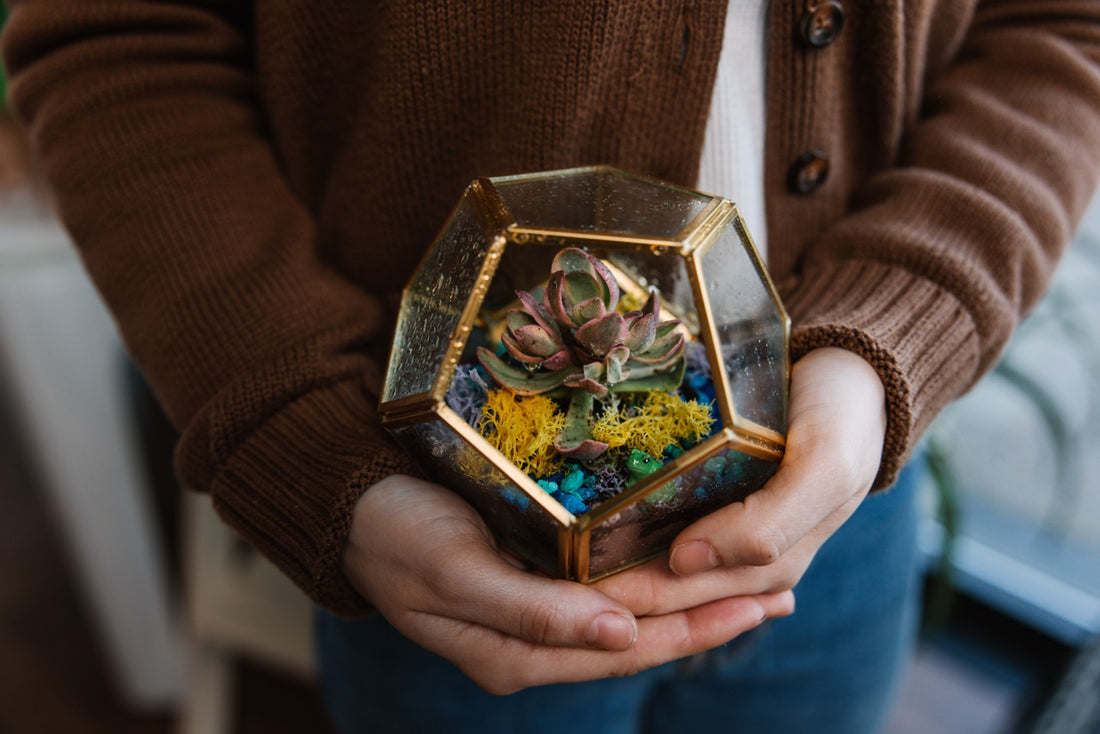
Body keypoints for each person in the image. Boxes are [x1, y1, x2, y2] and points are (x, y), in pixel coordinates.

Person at [3, 1, 1099, 732]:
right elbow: (121, 39)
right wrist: (299, 423)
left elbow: (1057, 28)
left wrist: (887, 341)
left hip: (836, 498)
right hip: (457, 522)